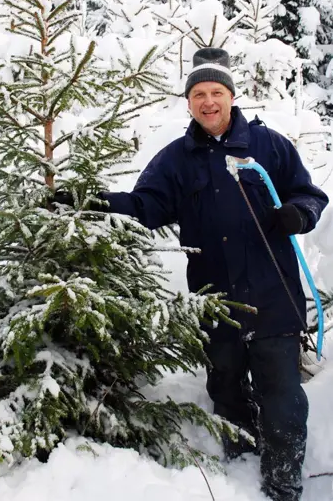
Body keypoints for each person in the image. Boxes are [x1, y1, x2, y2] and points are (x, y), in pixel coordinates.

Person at [55, 47, 328, 501]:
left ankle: (283, 483)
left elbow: (309, 193)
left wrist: (298, 214)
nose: (208, 102)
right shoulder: (176, 159)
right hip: (213, 298)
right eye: (198, 93)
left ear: (231, 96)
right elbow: (144, 206)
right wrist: (90, 201)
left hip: (274, 297)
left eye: (216, 92)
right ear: (188, 101)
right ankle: (240, 465)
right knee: (225, 388)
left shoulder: (269, 146)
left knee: (282, 397)